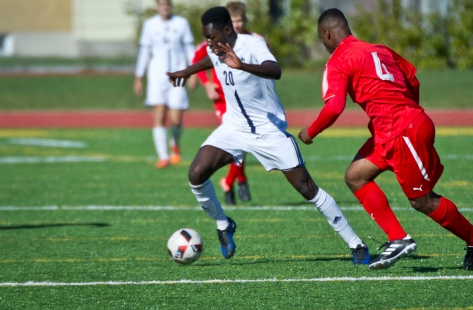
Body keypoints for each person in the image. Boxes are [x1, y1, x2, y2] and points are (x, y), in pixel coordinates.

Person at [166, 6, 370, 265]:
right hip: (234, 128)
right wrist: (186, 72)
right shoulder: (214, 47)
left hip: (268, 131)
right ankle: (223, 224)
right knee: (196, 173)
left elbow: (275, 70)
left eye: (212, 36)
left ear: (228, 30)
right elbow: (210, 58)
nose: (208, 42)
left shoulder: (253, 45)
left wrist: (242, 66)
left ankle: (356, 244)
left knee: (308, 189)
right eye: (205, 37)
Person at [298, 8, 473, 271]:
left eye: (322, 40)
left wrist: (310, 132)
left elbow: (334, 107)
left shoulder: (339, 60)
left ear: (327, 34)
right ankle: (397, 237)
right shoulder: (379, 49)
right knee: (355, 176)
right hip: (389, 131)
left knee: (422, 200)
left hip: (401, 131)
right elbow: (412, 79)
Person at [187, 1, 260, 204]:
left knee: (244, 141)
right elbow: (197, 58)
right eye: (233, 20)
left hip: (247, 100)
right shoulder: (217, 39)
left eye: (240, 20)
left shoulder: (253, 40)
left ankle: (230, 181)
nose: (237, 24)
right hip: (223, 100)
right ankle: (238, 180)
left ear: (245, 21)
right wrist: (207, 84)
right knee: (241, 140)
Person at [133, 0, 195, 169]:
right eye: (161, 4)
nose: (164, 7)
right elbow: (145, 52)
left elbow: (190, 49)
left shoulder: (181, 24)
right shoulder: (150, 25)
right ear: (157, 6)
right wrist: (139, 77)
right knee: (159, 115)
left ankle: (174, 141)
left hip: (178, 75)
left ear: (170, 5)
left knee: (176, 118)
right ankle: (163, 156)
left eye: (167, 4)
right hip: (156, 76)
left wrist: (193, 72)